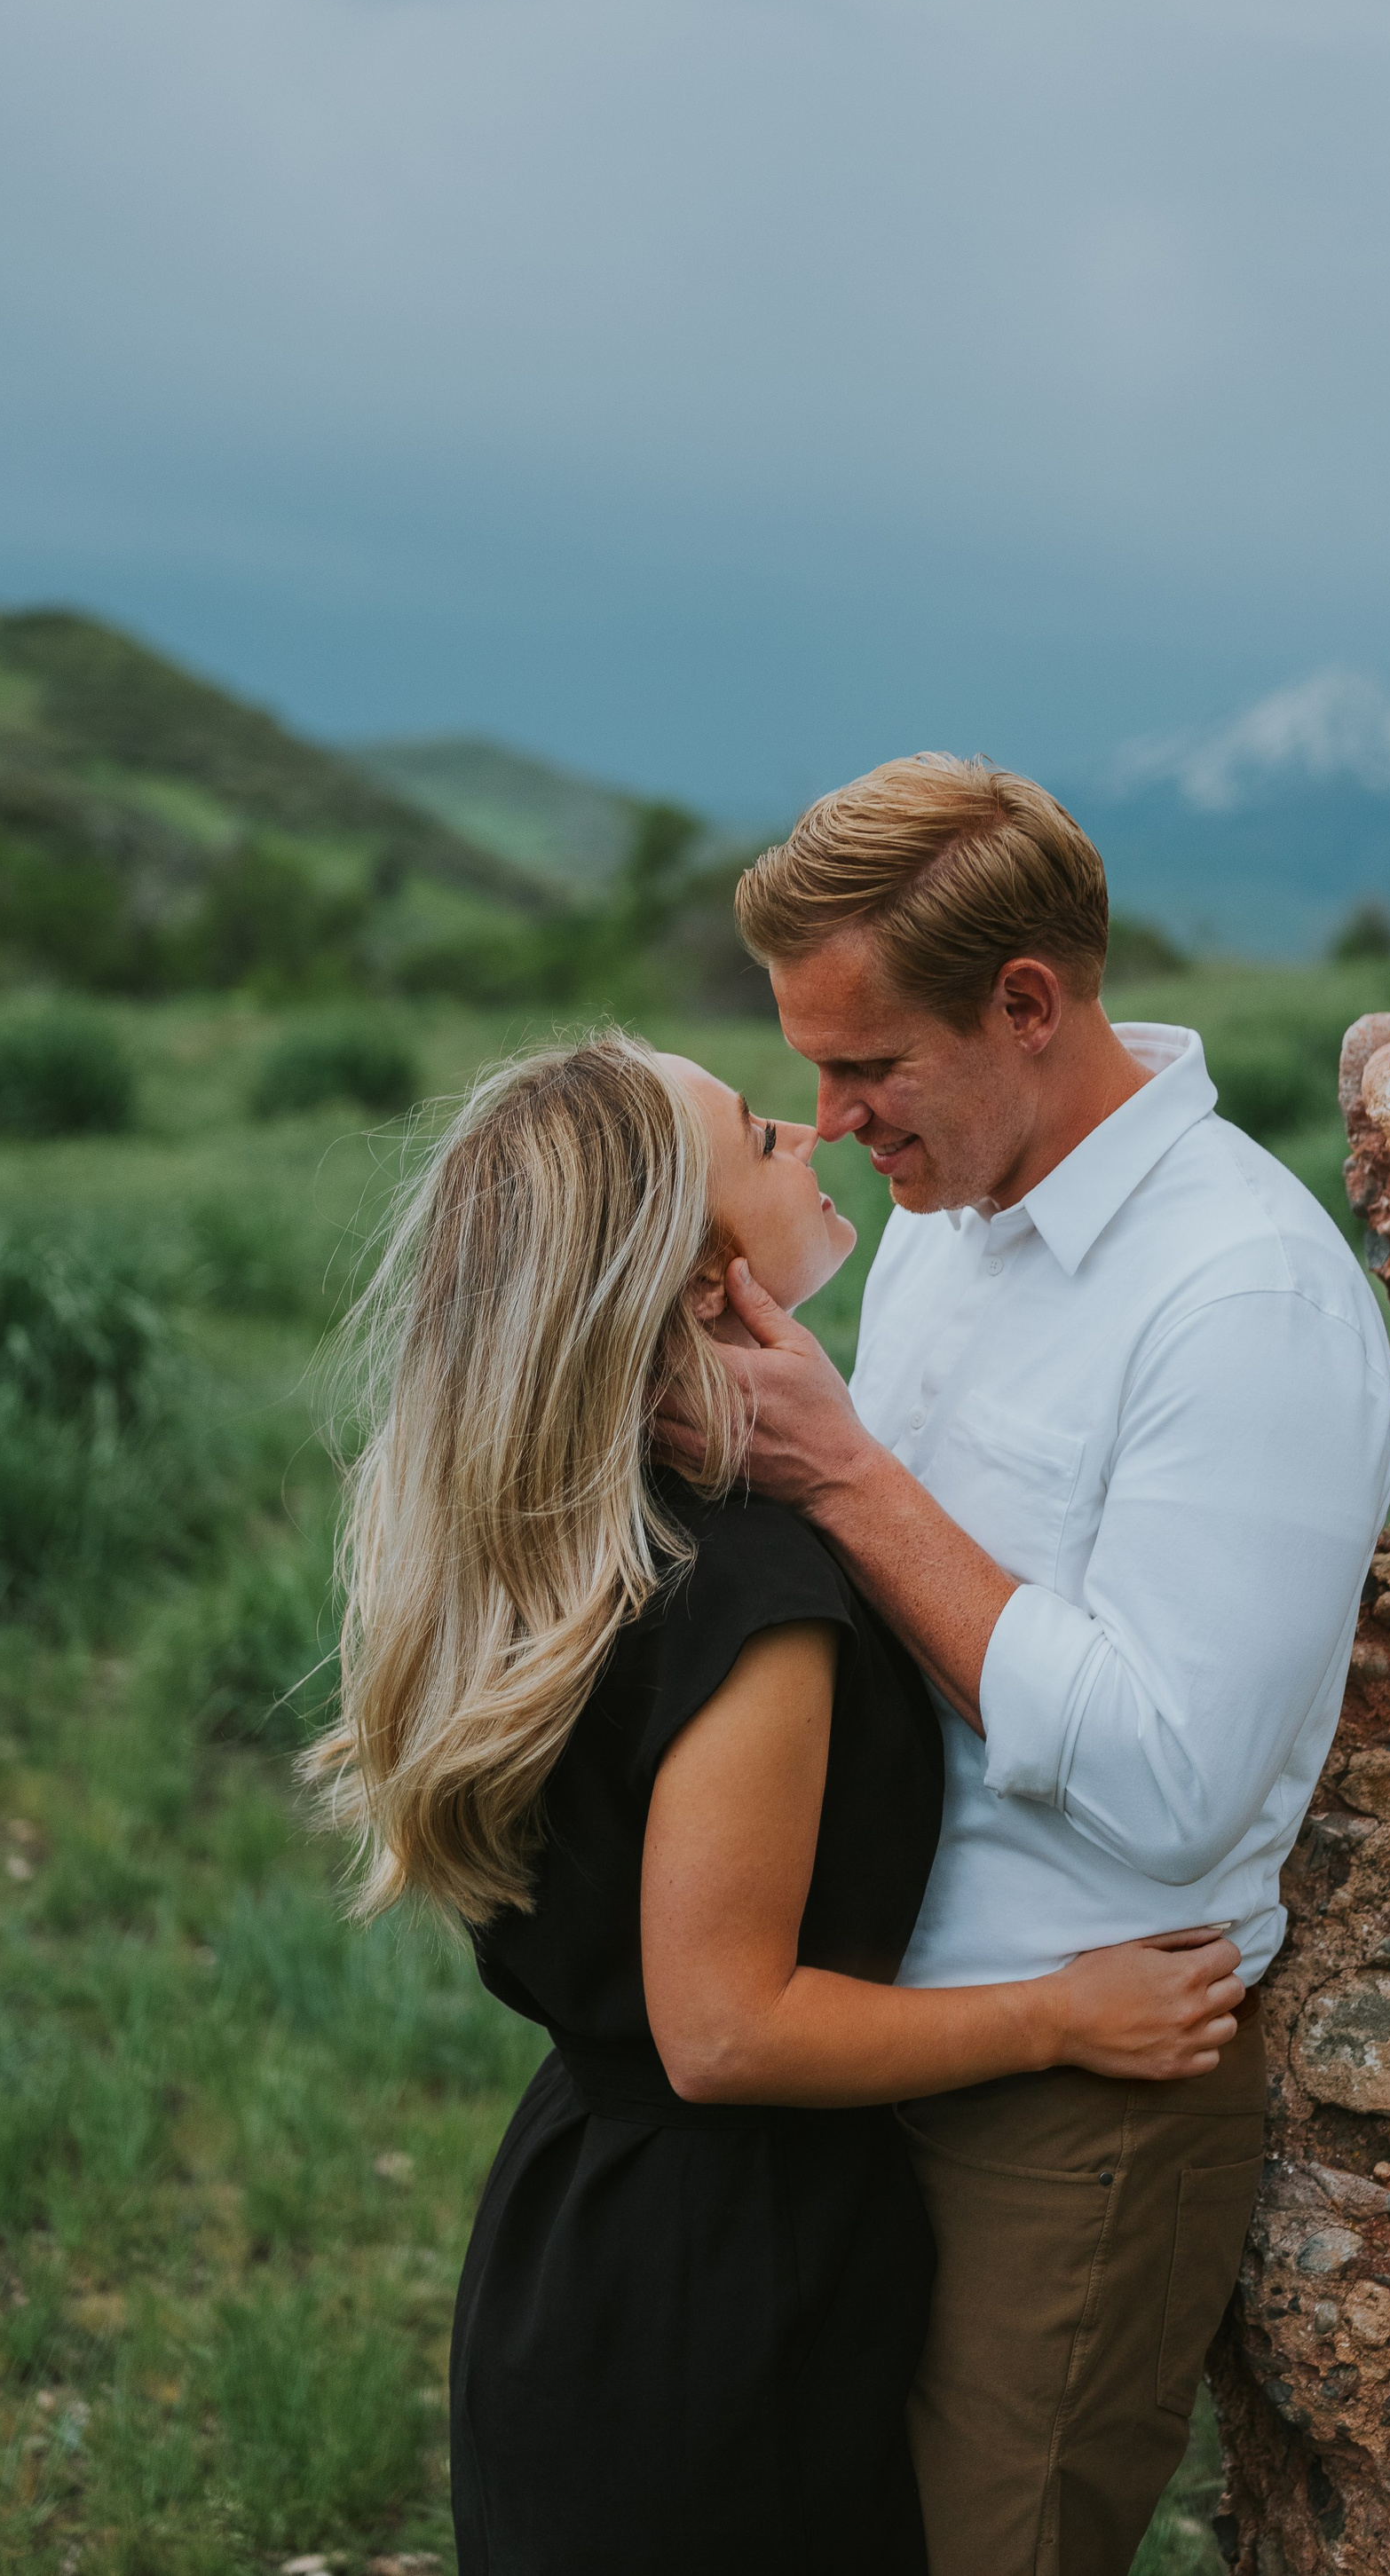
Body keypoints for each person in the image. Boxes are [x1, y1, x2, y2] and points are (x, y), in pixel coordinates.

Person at [307, 1029, 1249, 2576]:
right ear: (693, 1282)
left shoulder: (590, 1533)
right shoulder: (750, 1594)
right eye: (757, 1135)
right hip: (723, 2282)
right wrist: (1064, 2015)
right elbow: (727, 2026)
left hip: (583, 2227)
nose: (809, 1135)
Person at [698, 755, 1390, 2576]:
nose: (836, 1120)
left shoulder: (1232, 1295)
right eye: (811, 1071)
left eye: (868, 1068)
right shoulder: (950, 1216)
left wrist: (844, 1475)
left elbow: (1173, 1790)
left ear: (1027, 1004)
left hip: (1070, 2111)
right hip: (869, 2032)